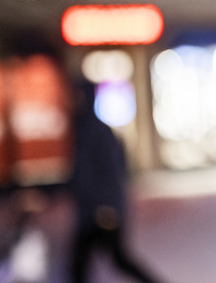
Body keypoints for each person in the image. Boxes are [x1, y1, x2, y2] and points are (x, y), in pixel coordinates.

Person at [69, 81, 162, 283]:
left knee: (111, 259)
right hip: (91, 210)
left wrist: (107, 206)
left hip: (101, 211)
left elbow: (111, 173)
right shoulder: (82, 130)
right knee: (84, 264)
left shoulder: (97, 131)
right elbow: (80, 174)